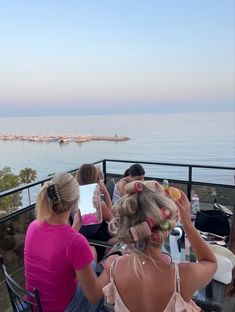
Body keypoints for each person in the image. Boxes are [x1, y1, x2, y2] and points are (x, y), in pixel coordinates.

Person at [99, 181, 217, 312]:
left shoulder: (112, 266)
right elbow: (210, 262)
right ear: (166, 230)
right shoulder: (183, 276)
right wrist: (187, 223)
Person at [24, 173, 104, 312]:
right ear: (75, 200)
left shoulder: (33, 226)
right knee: (100, 291)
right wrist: (110, 269)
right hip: (63, 308)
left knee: (91, 252)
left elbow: (56, 246)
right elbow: (94, 297)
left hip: (36, 305)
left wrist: (75, 228)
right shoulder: (75, 242)